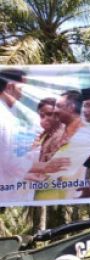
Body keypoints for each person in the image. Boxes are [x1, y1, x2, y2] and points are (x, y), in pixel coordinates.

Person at [1, 68, 39, 202]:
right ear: (10, 87)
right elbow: (8, 158)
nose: (22, 94)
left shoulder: (8, 114)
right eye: (21, 88)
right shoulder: (4, 117)